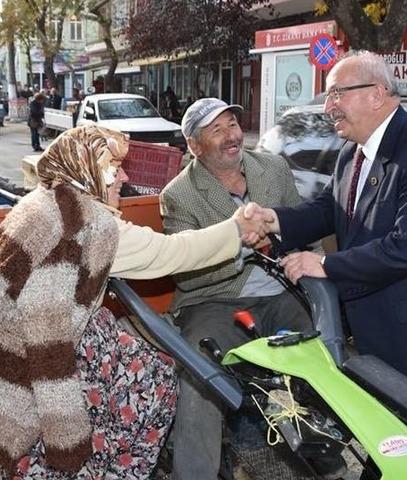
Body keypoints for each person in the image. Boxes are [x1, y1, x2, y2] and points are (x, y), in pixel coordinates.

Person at [0, 125, 268, 480]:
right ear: (86, 169)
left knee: (146, 370)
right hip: (36, 363)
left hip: (12, 351)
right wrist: (235, 229)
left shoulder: (44, 200)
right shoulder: (89, 226)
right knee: (153, 385)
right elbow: (170, 253)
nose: (124, 176)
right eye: (113, 166)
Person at [244, 51, 407, 474]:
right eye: (327, 94)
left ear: (377, 94)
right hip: (384, 339)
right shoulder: (352, 153)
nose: (328, 105)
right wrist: (275, 220)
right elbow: (328, 209)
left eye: (338, 92)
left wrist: (326, 266)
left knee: (403, 462)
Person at [159, 98, 313, 480]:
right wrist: (242, 246)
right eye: (217, 130)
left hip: (280, 289)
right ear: (194, 146)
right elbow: (188, 275)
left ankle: (322, 453)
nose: (232, 136)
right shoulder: (179, 195)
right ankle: (195, 474)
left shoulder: (273, 167)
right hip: (215, 299)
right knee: (200, 374)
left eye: (232, 124)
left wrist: (307, 264)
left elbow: (300, 227)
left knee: (323, 348)